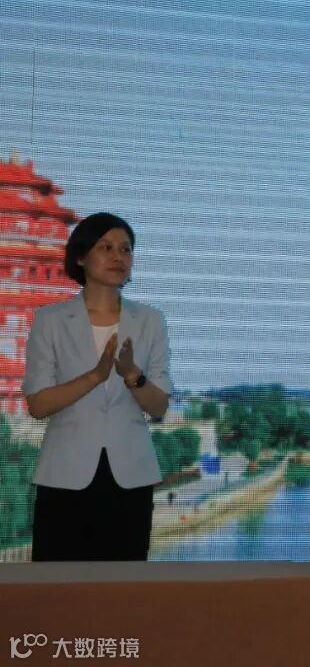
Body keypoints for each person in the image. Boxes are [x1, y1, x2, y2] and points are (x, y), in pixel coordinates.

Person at [24, 212, 172, 561]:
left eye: (126, 249)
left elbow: (159, 407)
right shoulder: (50, 320)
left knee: (122, 587)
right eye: (106, 247)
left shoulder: (150, 321)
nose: (118, 256)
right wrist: (95, 376)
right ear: (80, 256)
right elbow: (38, 405)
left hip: (130, 478)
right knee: (58, 585)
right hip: (64, 477)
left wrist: (132, 374)